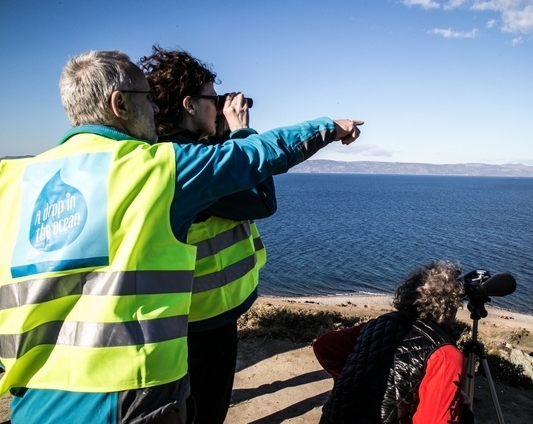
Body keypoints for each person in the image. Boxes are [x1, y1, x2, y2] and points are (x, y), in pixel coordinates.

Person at [0, 49, 363, 424]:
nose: (155, 109)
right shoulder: (157, 169)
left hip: (34, 399)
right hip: (129, 393)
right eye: (146, 99)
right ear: (119, 104)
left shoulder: (11, 180)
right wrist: (331, 127)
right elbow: (257, 155)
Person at [138, 45, 276, 424]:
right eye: (212, 100)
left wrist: (219, 134)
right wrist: (243, 132)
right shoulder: (190, 168)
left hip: (174, 311)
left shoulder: (157, 152)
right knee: (206, 410)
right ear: (188, 105)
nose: (219, 107)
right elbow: (262, 199)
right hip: (204, 315)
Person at [313, 261, 473, 424]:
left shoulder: (377, 325)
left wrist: (354, 380)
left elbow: (324, 346)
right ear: (452, 306)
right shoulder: (445, 354)